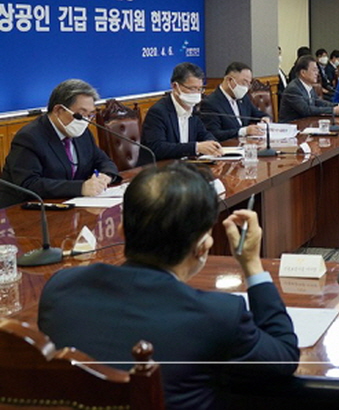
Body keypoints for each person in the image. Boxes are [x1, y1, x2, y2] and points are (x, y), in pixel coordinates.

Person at [38, 162, 300, 410]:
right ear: (202, 247)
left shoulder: (61, 288)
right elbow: (284, 358)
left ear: (121, 232)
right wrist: (252, 264)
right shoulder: (217, 316)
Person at [0, 79, 119, 209]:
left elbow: (103, 161)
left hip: (70, 207)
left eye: (90, 115)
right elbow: (29, 184)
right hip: (26, 212)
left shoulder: (83, 133)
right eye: (81, 114)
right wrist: (81, 187)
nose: (85, 121)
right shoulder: (29, 137)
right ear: (58, 110)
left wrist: (106, 175)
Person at [141, 62, 222, 164]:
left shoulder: (193, 110)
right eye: (192, 89)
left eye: (199, 89)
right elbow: (157, 148)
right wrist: (196, 147)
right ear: (175, 86)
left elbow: (204, 134)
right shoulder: (158, 112)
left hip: (186, 168)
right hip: (161, 171)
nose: (197, 94)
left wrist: (213, 144)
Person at [198, 62, 268, 141]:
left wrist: (265, 118)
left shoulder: (243, 98)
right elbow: (213, 134)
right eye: (244, 82)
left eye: (249, 83)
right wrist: (243, 131)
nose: (246, 87)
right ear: (229, 80)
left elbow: (257, 114)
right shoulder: (210, 103)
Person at [278, 55, 339, 122]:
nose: (317, 73)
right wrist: (333, 110)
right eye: (314, 70)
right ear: (303, 72)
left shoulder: (308, 85)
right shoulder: (294, 89)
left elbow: (318, 102)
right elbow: (306, 110)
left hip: (307, 124)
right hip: (291, 127)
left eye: (317, 70)